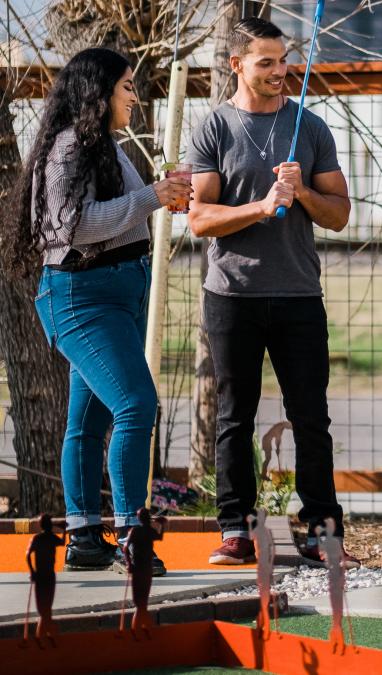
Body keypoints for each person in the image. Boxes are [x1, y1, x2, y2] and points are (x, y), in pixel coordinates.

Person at [1, 48, 190, 576]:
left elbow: (121, 214)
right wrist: (153, 196)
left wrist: (163, 194)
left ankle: (85, 537)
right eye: (126, 85)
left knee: (87, 423)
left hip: (116, 294)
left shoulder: (105, 145)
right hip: (81, 297)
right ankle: (134, 533)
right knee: (136, 405)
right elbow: (72, 227)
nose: (135, 95)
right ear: (98, 92)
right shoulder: (68, 149)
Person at [187, 18, 358, 568]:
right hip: (231, 295)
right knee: (235, 416)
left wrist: (302, 190)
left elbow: (339, 215)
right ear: (236, 65)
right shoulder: (214, 128)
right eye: (266, 62)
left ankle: (322, 532)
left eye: (283, 60)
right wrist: (261, 206)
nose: (280, 71)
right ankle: (236, 528)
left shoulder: (310, 127)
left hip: (298, 296)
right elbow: (199, 218)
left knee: (311, 416)